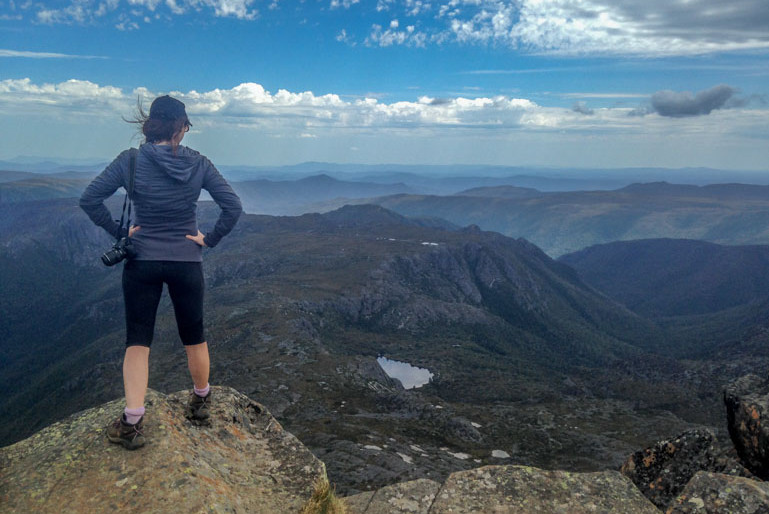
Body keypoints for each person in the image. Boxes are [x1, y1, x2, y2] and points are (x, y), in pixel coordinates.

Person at [80, 95, 242, 450]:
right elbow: (233, 206)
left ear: (150, 125)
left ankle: (133, 422)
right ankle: (201, 401)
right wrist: (209, 239)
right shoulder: (199, 164)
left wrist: (120, 234)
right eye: (186, 125)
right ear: (180, 127)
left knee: (138, 341)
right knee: (194, 335)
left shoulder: (131, 162)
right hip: (187, 260)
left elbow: (90, 199)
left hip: (142, 261)